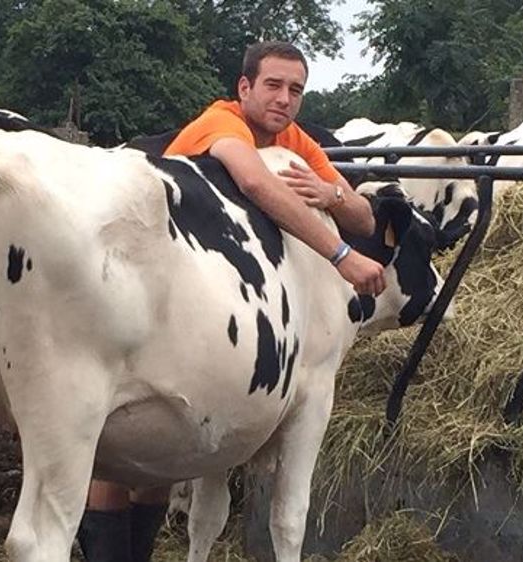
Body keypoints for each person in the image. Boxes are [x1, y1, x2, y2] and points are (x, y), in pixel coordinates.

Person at [77, 41, 387, 562]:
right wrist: (341, 256)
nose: (285, 99)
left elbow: (366, 217)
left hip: (208, 305)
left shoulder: (292, 139)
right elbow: (254, 182)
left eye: (296, 90)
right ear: (244, 88)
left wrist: (329, 192)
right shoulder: (222, 125)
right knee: (117, 458)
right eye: (273, 85)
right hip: (152, 285)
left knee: (156, 467)